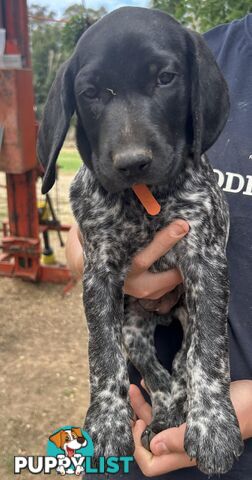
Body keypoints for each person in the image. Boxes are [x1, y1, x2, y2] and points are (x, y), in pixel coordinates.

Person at [65, 13, 252, 479]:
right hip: (135, 417)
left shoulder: (184, 58)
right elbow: (83, 239)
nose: (130, 149)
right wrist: (95, 258)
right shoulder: (184, 47)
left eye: (163, 81)